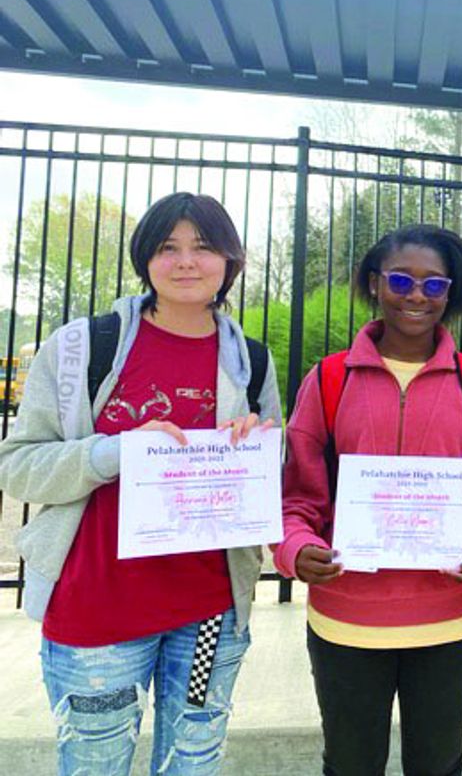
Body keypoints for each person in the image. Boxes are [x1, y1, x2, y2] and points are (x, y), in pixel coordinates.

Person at [0, 192, 281, 775]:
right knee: (95, 764)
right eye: (166, 247)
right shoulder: (84, 348)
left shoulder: (250, 360)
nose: (185, 262)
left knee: (194, 761)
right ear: (144, 259)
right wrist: (117, 451)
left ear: (230, 260)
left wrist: (256, 450)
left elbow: (271, 484)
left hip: (209, 614)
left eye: (203, 248)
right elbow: (19, 464)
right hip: (97, 612)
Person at [274, 224, 462, 776]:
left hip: (448, 622)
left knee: (438, 767)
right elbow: (295, 498)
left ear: (451, 293)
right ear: (374, 284)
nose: (416, 296)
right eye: (400, 280)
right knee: (349, 766)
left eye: (434, 285)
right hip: (347, 621)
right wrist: (296, 548)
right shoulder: (327, 380)